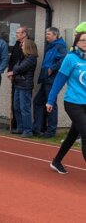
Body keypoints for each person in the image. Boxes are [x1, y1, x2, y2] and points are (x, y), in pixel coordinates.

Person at [46, 31, 86, 174]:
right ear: (76, 42)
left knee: (73, 135)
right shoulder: (70, 58)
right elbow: (59, 81)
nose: (85, 43)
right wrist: (50, 100)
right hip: (73, 103)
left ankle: (56, 161)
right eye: (82, 40)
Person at [32, 27, 67, 138]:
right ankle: (38, 128)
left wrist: (52, 68)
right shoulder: (51, 46)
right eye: (46, 34)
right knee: (38, 101)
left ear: (55, 35)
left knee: (51, 104)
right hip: (45, 79)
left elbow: (64, 59)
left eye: (49, 34)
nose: (46, 36)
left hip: (52, 80)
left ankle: (51, 131)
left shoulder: (60, 46)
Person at [7, 39, 38, 138]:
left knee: (25, 108)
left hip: (25, 86)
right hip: (18, 84)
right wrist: (14, 71)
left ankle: (28, 130)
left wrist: (13, 72)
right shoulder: (23, 57)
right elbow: (16, 67)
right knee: (16, 107)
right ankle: (20, 128)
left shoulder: (31, 58)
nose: (21, 46)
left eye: (23, 45)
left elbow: (19, 68)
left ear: (28, 46)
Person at [7, 26, 29, 130]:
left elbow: (25, 63)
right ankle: (16, 126)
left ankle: (25, 128)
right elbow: (12, 60)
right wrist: (9, 72)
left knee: (23, 106)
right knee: (15, 105)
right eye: (16, 33)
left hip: (23, 79)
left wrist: (13, 72)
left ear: (24, 34)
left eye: (19, 33)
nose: (16, 35)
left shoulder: (29, 45)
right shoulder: (16, 44)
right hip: (14, 78)